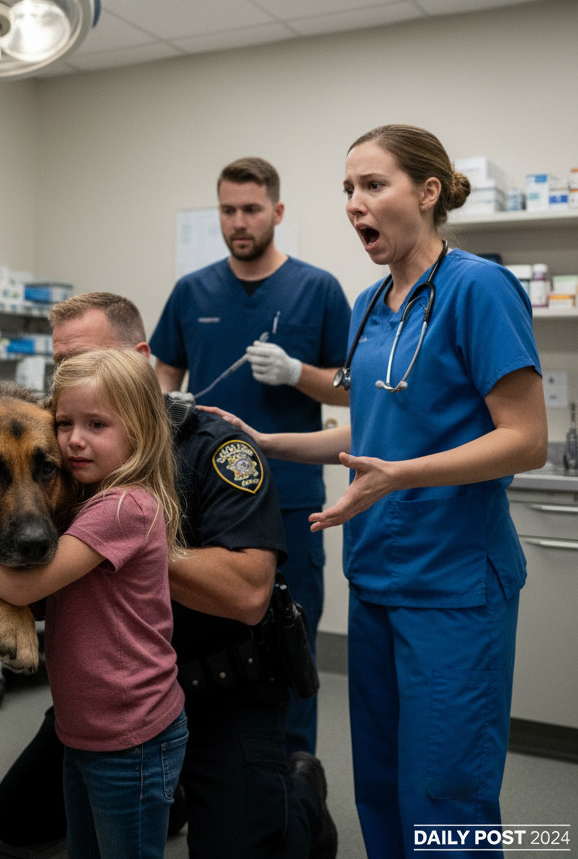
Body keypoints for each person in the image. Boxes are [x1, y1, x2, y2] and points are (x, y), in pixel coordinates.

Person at [204, 125, 547, 858]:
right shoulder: (367, 304)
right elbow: (365, 434)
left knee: (444, 791)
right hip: (379, 581)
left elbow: (525, 438)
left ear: (428, 192)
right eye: (348, 190)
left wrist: (402, 475)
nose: (356, 204)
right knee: (382, 782)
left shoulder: (478, 288)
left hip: (454, 586)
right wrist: (264, 440)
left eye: (373, 185)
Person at [0, 292, 337, 859]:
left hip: (223, 686)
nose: (74, 380)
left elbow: (248, 592)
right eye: (62, 367)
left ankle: (300, 794)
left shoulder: (216, 447)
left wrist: (119, 549)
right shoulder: (65, 451)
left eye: (90, 360)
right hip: (117, 689)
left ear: (142, 358)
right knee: (16, 819)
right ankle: (168, 793)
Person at [0, 347, 188, 859]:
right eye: (66, 423)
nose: (75, 439)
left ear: (141, 431)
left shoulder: (121, 508)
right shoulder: (90, 499)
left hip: (133, 736)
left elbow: (20, 589)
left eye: (97, 424)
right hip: (84, 729)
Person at [149, 156, 351, 756]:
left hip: (290, 502)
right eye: (228, 210)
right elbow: (162, 373)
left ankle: (294, 795)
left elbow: (351, 386)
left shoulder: (318, 289)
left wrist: (297, 374)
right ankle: (208, 789)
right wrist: (165, 402)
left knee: (290, 654)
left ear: (277, 213)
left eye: (252, 209)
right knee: (199, 654)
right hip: (203, 506)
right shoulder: (192, 291)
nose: (239, 222)